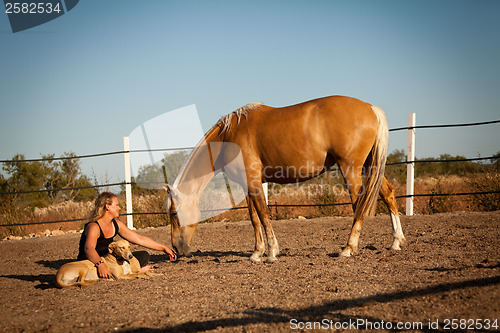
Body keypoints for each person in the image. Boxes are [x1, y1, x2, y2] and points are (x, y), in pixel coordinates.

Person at [77, 192, 177, 279]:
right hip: (92, 262)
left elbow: (139, 239)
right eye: (116, 205)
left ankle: (129, 270)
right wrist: (100, 264)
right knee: (131, 260)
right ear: (108, 206)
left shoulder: (116, 224)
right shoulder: (94, 226)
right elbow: (89, 249)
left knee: (143, 256)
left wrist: (163, 248)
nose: (119, 208)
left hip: (111, 261)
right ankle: (133, 271)